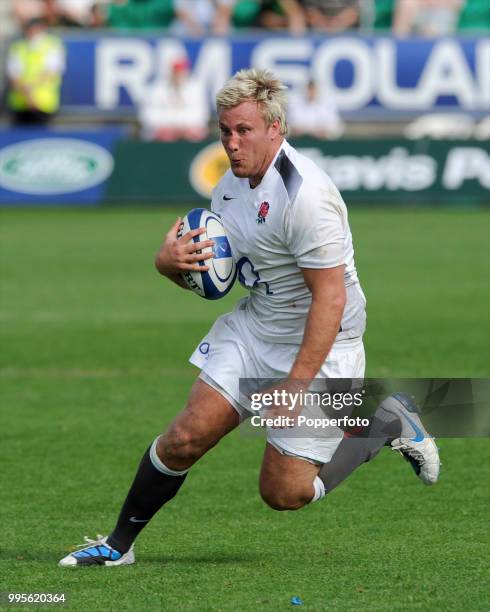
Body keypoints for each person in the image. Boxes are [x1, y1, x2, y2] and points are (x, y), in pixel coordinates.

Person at [59, 69, 440, 568]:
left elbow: (331, 301)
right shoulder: (229, 188)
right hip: (257, 326)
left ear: (276, 129)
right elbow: (219, 281)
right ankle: (117, 547)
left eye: (244, 131)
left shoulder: (306, 197)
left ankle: (385, 421)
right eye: (225, 131)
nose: (232, 143)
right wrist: (167, 264)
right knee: (184, 438)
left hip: (325, 339)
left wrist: (295, 386)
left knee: (285, 493)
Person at [6, 18, 65, 125]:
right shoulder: (19, 47)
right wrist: (27, 96)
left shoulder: (52, 46)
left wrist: (31, 94)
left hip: (43, 105)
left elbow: (51, 72)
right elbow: (13, 74)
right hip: (20, 104)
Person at [138, 57, 210, 142]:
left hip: (188, 132)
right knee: (163, 134)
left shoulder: (196, 89)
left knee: (196, 132)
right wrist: (171, 126)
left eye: (182, 72)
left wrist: (178, 126)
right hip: (161, 133)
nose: (179, 75)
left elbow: (201, 116)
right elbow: (147, 116)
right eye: (176, 72)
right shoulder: (157, 89)